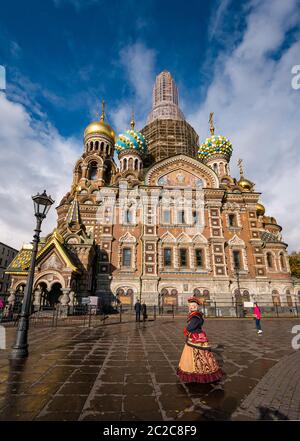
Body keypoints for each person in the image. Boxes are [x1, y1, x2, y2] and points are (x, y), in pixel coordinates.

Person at [177, 296, 224, 383]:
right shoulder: (196, 315)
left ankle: (199, 372)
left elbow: (191, 327)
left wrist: (187, 329)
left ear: (197, 306)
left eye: (194, 305)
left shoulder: (195, 316)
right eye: (191, 305)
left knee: (198, 354)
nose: (192, 307)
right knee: (202, 354)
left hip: (196, 336)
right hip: (197, 335)